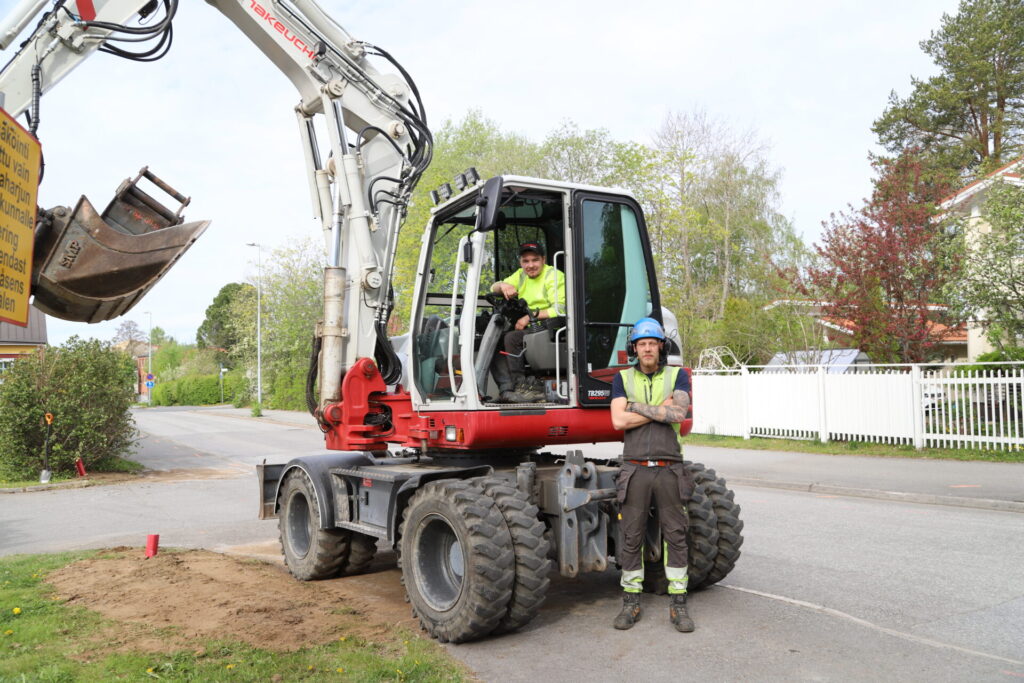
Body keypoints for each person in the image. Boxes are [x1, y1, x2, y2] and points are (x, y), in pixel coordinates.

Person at [609, 317, 695, 632]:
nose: (647, 348)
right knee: (631, 536)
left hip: (670, 466)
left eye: (652, 343)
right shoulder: (622, 378)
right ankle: (630, 602)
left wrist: (636, 407)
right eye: (642, 344)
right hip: (634, 468)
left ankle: (679, 602)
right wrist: (658, 408)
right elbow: (618, 422)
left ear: (661, 346)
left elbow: (678, 413)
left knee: (676, 536)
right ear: (635, 348)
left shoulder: (678, 375)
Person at [490, 241, 566, 403]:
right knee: (494, 340)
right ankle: (507, 389)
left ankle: (522, 386)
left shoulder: (553, 276)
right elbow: (493, 288)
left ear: (543, 260)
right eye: (526, 261)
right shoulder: (521, 275)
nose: (530, 265)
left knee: (512, 338)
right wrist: (503, 285)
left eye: (535, 260)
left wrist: (530, 316)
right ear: (520, 262)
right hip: (534, 325)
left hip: (553, 325)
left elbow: (561, 310)